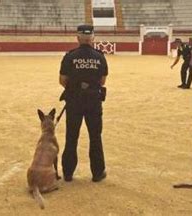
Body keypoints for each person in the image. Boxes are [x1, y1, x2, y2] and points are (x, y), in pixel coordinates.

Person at [59, 25, 108, 182]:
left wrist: (75, 88)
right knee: (95, 137)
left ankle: (68, 173)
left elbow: (62, 80)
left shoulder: (69, 56)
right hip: (93, 102)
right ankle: (97, 173)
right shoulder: (100, 57)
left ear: (78, 38)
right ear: (93, 38)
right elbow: (102, 80)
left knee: (71, 137)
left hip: (74, 101)